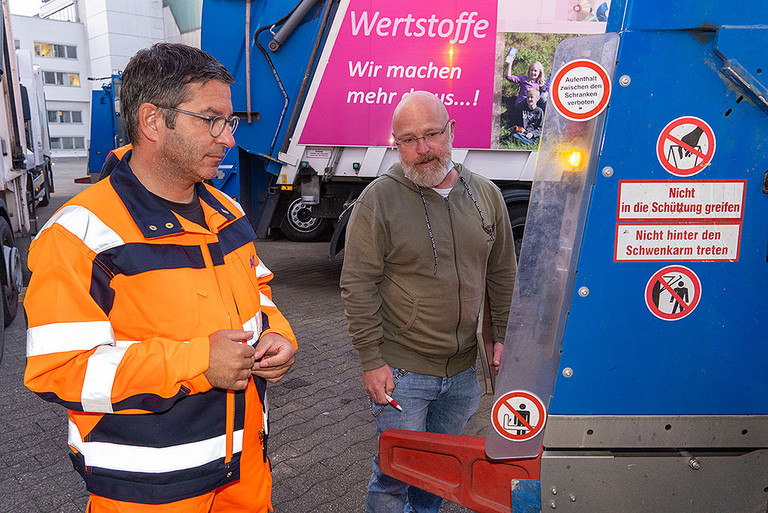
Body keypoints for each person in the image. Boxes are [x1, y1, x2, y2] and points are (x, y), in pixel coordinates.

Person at [23, 43, 297, 512]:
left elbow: (258, 294)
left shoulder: (226, 212)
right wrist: (195, 361)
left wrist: (276, 335)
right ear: (153, 121)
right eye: (211, 120)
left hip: (244, 477)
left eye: (228, 122)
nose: (227, 139)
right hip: (150, 492)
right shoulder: (79, 235)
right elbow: (60, 368)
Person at [340, 91, 517, 512]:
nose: (422, 150)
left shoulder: (487, 195)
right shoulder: (378, 200)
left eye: (432, 135)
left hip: (462, 373)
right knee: (393, 475)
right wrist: (370, 359)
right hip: (401, 371)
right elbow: (357, 284)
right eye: (408, 140)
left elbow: (503, 273)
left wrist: (504, 337)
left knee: (438, 474)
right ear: (394, 144)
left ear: (451, 131)